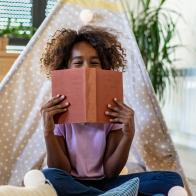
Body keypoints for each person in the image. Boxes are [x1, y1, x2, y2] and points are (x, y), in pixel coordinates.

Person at [40, 25, 183, 196]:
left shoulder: (113, 109)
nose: (87, 68)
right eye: (78, 62)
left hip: (107, 183)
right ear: (66, 68)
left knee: (171, 179)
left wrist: (128, 134)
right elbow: (61, 169)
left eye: (94, 62)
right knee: (50, 175)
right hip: (71, 181)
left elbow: (111, 171)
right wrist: (48, 132)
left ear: (105, 67)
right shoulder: (57, 108)